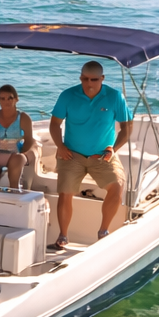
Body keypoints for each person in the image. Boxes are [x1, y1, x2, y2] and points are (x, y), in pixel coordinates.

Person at [49, 60, 133, 247]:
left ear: (102, 78)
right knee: (65, 192)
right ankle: (63, 236)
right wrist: (60, 146)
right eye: (85, 79)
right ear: (80, 77)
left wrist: (114, 149)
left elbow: (127, 127)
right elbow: (54, 124)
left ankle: (103, 231)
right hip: (72, 153)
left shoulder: (115, 97)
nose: (89, 83)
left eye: (94, 79)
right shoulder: (68, 95)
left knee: (117, 185)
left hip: (103, 153)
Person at [0, 84, 38, 190]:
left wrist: (20, 153)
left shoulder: (23, 118)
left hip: (14, 155)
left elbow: (28, 141)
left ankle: (14, 190)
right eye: (2, 99)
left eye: (10, 98)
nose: (6, 101)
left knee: (17, 159)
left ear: (16, 99)